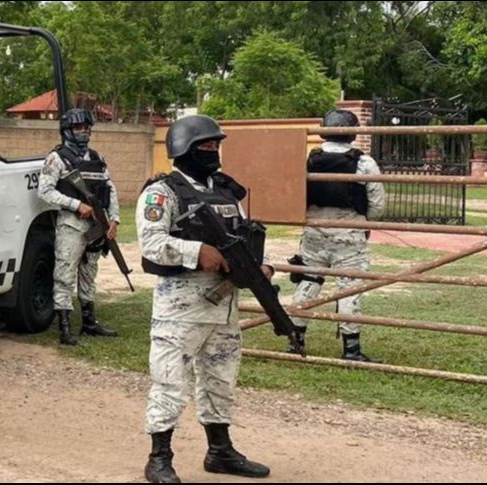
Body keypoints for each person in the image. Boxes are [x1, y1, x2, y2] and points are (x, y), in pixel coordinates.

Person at [137, 115, 272, 483]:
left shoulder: (226, 191)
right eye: (205, 146)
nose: (213, 151)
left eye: (216, 145)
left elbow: (240, 238)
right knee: (170, 381)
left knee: (221, 379)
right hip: (180, 307)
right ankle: (159, 457)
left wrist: (258, 267)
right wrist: (197, 251)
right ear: (183, 149)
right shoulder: (161, 192)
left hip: (224, 305)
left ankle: (220, 451)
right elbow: (150, 243)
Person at [289, 109, 386, 362]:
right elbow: (377, 204)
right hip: (349, 231)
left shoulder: (310, 159)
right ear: (352, 131)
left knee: (308, 281)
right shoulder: (364, 163)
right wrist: (365, 220)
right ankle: (351, 349)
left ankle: (295, 339)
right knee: (349, 288)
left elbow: (298, 194)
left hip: (314, 228)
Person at [37, 109, 120, 346]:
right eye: (78, 128)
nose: (84, 132)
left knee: (89, 272)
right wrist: (76, 205)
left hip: (97, 223)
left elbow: (110, 188)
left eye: (87, 127)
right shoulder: (56, 158)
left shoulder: (96, 157)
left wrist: (114, 219)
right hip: (72, 224)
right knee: (64, 274)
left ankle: (89, 322)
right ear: (67, 130)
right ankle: (64, 325)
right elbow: (45, 191)